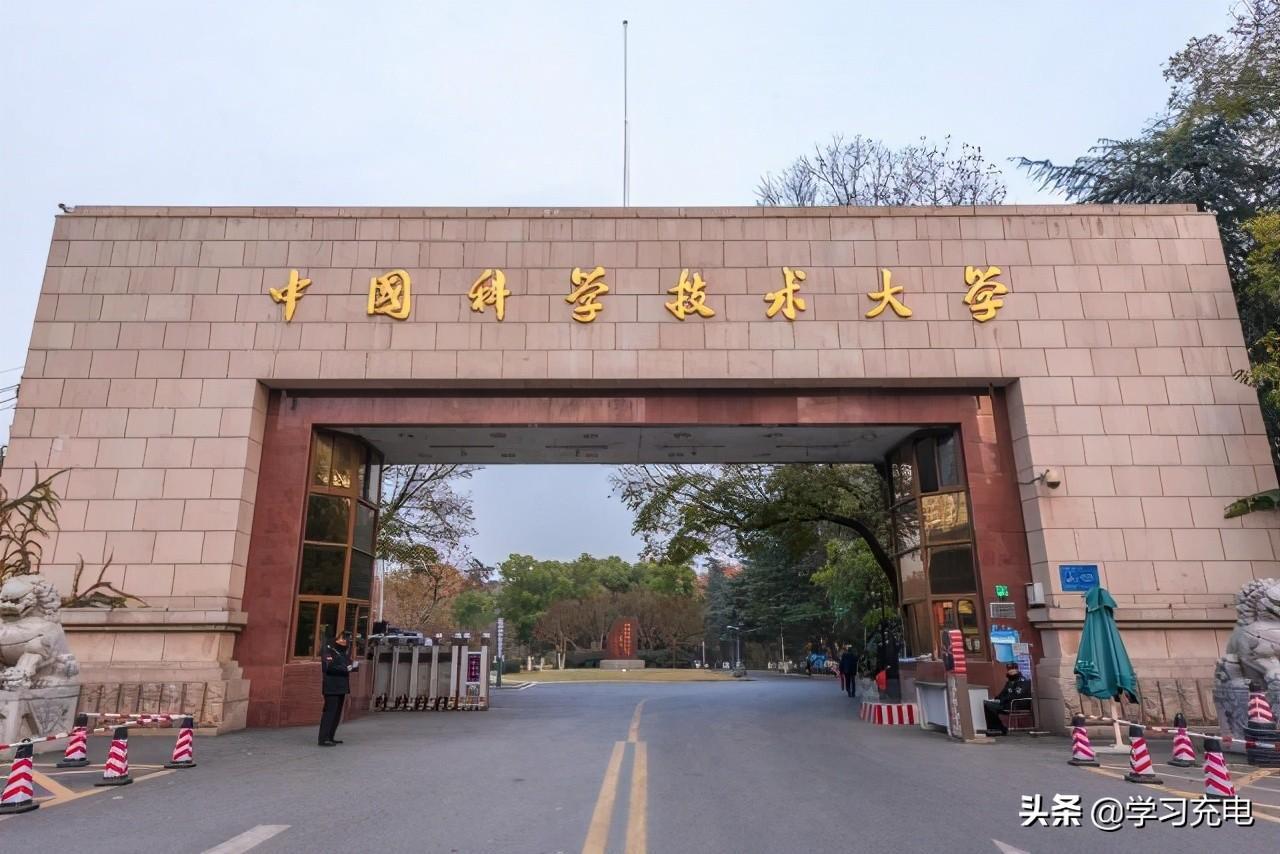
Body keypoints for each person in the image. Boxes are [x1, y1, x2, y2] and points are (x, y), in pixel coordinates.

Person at [318, 632, 358, 746]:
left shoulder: (343, 652)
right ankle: (323, 738)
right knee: (329, 713)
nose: (347, 642)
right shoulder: (328, 650)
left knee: (337, 713)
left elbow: (349, 664)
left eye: (348, 641)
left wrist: (353, 666)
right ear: (339, 639)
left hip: (342, 686)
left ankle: (330, 737)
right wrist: (345, 669)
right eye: (345, 640)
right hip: (331, 687)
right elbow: (328, 667)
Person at [983, 663, 1032, 736]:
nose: (1010, 671)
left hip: (1016, 704)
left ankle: (999, 728)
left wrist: (1001, 701)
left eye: (1012, 669)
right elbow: (1002, 694)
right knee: (987, 704)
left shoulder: (1023, 681)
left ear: (1017, 670)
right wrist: (996, 699)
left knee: (989, 706)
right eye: (1009, 669)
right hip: (1007, 703)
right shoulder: (1009, 682)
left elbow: (1015, 695)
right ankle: (996, 728)